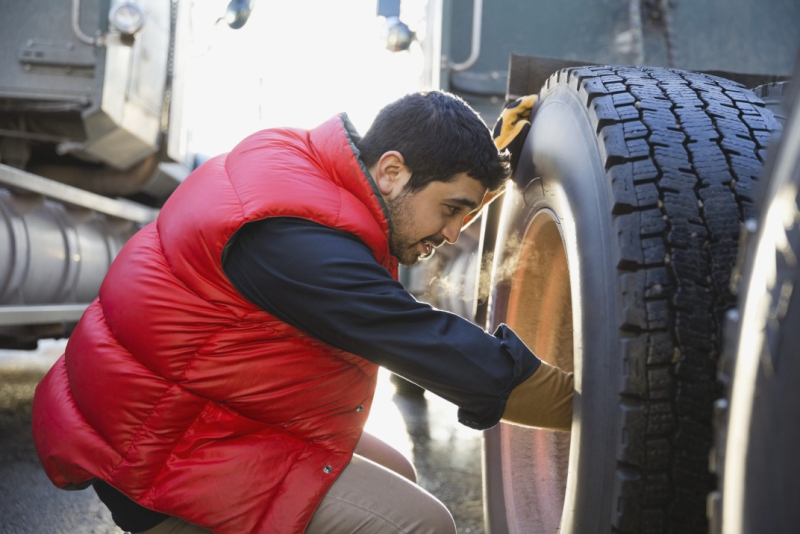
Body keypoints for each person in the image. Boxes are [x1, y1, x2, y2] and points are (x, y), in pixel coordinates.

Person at [31, 91, 572, 534]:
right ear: (390, 171)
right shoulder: (295, 241)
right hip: (157, 449)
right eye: (452, 209)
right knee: (420, 524)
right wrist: (594, 405)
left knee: (399, 472)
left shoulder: (308, 174)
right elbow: (430, 344)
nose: (454, 234)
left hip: (190, 406)